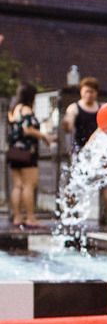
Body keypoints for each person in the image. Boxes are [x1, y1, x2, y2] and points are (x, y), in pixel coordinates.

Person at [61, 77, 107, 231]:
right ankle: (71, 213)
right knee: (76, 183)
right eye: (86, 91)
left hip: (99, 151)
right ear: (81, 92)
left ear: (96, 93)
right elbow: (69, 121)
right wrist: (67, 125)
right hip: (81, 152)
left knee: (106, 183)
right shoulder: (75, 107)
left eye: (92, 92)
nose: (89, 95)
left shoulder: (101, 108)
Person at [6, 82, 55, 228]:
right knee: (29, 184)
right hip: (27, 152)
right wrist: (45, 136)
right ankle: (30, 217)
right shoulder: (26, 109)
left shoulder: (14, 110)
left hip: (14, 152)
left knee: (17, 185)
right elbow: (27, 129)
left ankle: (17, 217)